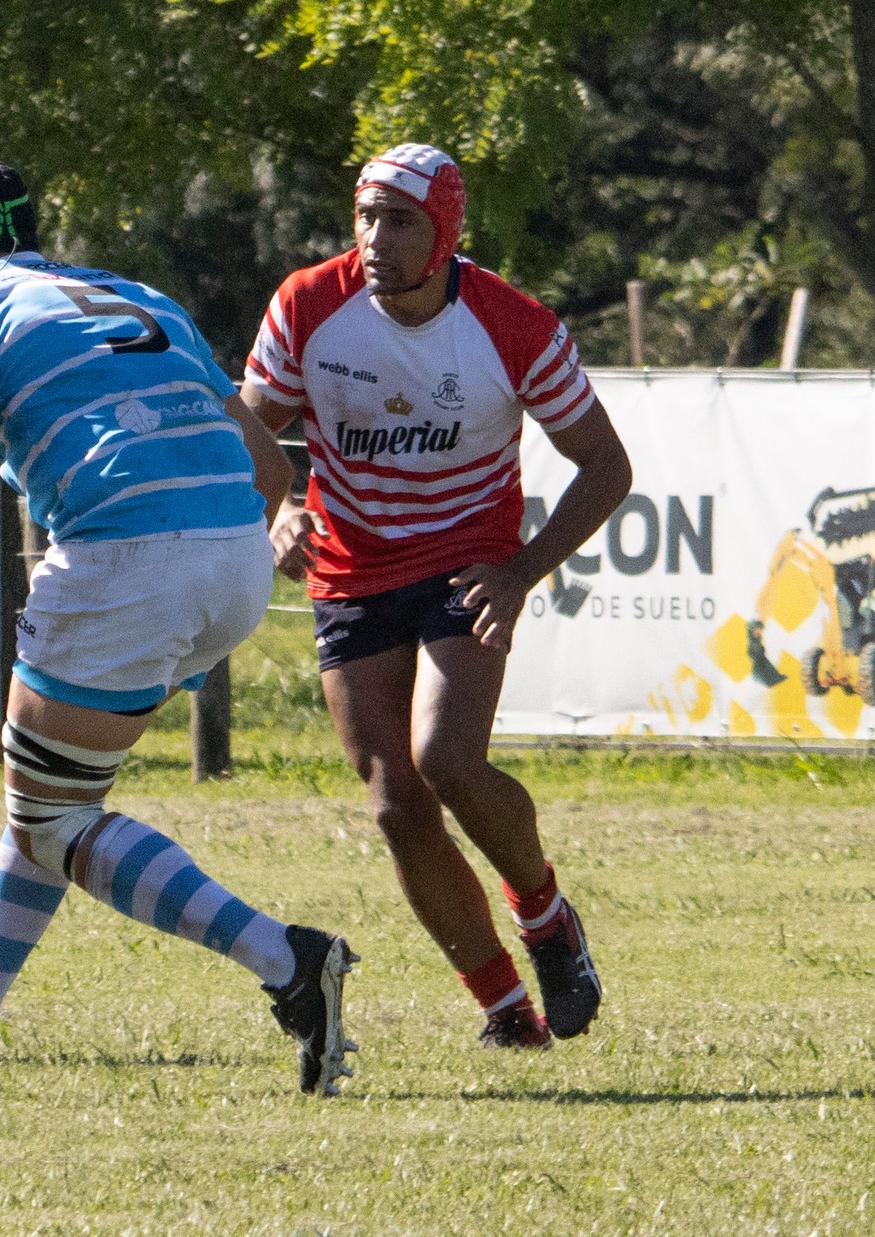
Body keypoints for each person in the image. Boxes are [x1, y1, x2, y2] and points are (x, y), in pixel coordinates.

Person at [0, 155, 357, 1097]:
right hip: (234, 560)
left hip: (127, 558)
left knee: (51, 816)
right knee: (51, 796)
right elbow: (267, 466)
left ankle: (288, 960)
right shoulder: (138, 294)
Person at [239, 144, 631, 1048]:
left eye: (401, 220)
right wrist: (278, 512)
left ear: (444, 232)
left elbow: (608, 466)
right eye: (365, 216)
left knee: (446, 759)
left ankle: (546, 917)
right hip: (352, 569)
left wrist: (523, 568)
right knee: (393, 803)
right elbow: (244, 432)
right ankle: (506, 1012)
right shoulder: (308, 304)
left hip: (467, 561)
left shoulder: (509, 322)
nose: (376, 237)